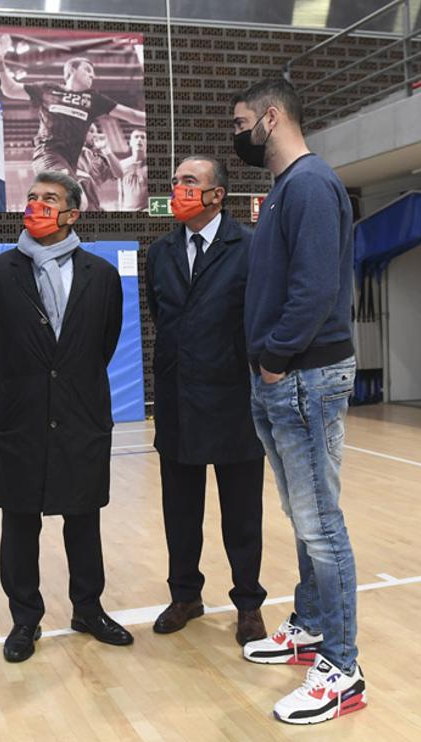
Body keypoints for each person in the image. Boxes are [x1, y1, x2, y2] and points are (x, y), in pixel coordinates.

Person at [231, 78, 367, 725]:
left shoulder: (311, 185)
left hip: (304, 377)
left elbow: (314, 291)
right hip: (285, 377)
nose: (239, 135)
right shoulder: (286, 189)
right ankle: (311, 623)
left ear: (271, 117)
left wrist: (277, 357)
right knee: (303, 513)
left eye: (242, 122)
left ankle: (342, 667)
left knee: (321, 523)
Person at [0, 171, 132, 664]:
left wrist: (66, 384)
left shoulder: (100, 276)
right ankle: (25, 619)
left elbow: (102, 343)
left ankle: (88, 608)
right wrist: (27, 387)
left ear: (73, 213)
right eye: (32, 197)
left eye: (50, 199)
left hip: (81, 415)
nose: (37, 205)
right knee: (19, 523)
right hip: (20, 417)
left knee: (83, 518)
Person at [145, 155, 268, 647]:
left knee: (242, 515)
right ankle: (185, 596)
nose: (177, 188)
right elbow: (163, 315)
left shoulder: (251, 247)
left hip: (235, 401)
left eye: (189, 182)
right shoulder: (160, 251)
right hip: (178, 400)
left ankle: (249, 604)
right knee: (180, 510)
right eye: (175, 180)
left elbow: (259, 316)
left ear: (218, 195)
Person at [0, 33, 145, 177]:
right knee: (68, 188)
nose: (92, 75)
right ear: (72, 70)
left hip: (69, 162)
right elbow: (10, 89)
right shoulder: (48, 89)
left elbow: (133, 116)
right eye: (88, 70)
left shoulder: (94, 99)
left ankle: (37, 206)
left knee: (78, 202)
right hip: (47, 154)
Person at [74, 122, 123, 212]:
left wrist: (106, 149)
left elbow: (119, 174)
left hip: (92, 208)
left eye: (95, 131)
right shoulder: (66, 153)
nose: (94, 135)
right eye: (90, 131)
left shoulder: (98, 158)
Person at [118, 128, 148, 211]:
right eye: (136, 137)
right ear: (130, 142)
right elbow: (121, 191)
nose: (139, 139)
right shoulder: (122, 164)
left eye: (142, 137)